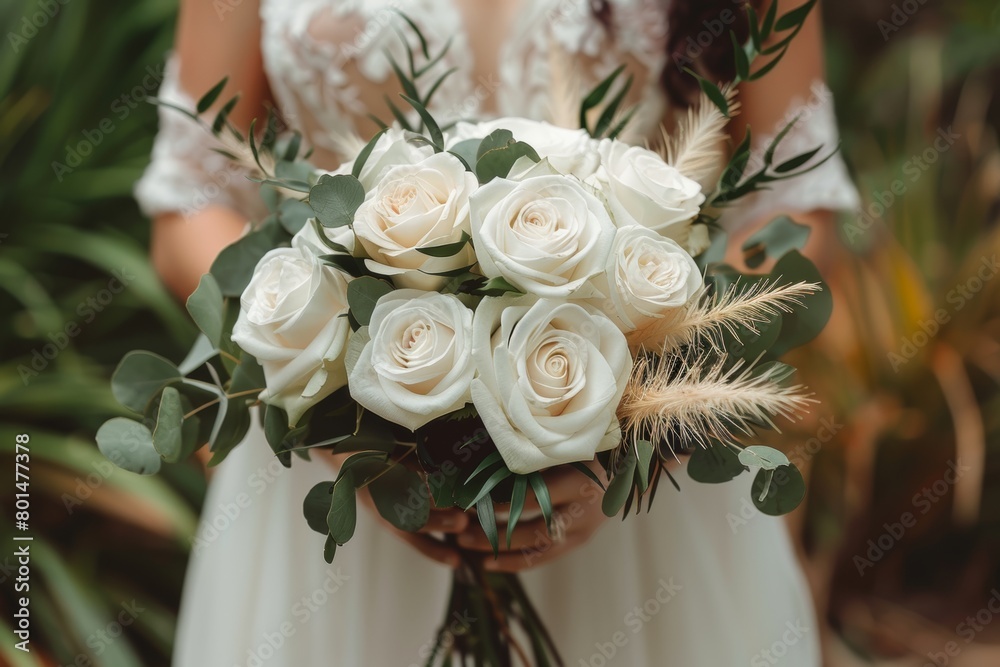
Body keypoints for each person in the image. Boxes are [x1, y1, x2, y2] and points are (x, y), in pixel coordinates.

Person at [137, 0, 860, 664]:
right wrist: (339, 401)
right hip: (335, 482)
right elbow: (188, 202)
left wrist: (637, 427)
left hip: (638, 476)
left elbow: (797, 205)